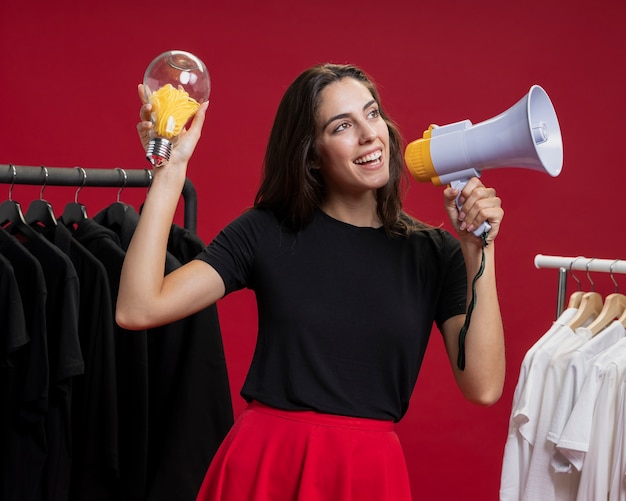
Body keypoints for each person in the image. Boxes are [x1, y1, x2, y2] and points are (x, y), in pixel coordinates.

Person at [116, 63, 505, 500]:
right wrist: (170, 172)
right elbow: (138, 308)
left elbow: (484, 386)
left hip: (366, 475)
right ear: (312, 152)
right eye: (343, 126)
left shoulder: (436, 252)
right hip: (265, 466)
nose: (369, 135)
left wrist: (478, 250)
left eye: (372, 114)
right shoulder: (266, 231)